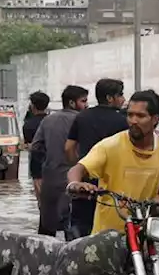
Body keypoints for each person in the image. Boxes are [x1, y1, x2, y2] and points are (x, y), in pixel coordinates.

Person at [66, 89, 159, 235]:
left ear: (155, 119)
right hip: (107, 236)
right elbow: (78, 169)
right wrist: (75, 184)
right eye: (130, 114)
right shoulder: (109, 146)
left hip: (143, 231)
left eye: (140, 116)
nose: (133, 121)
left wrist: (158, 200)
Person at [65, 78, 128, 238]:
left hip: (85, 182)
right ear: (109, 98)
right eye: (120, 95)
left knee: (80, 227)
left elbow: (69, 147)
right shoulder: (123, 121)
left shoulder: (82, 117)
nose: (123, 99)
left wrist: (80, 166)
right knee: (112, 231)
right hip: (113, 183)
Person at [30, 84, 89, 237]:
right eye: (83, 101)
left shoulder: (48, 120)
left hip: (51, 177)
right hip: (76, 179)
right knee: (73, 227)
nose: (86, 105)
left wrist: (48, 161)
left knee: (47, 226)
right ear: (71, 103)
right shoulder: (82, 120)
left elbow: (35, 147)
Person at [24, 91, 50, 193]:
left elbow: (29, 145)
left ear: (32, 105)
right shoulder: (52, 120)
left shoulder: (28, 124)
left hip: (37, 167)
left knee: (40, 198)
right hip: (54, 164)